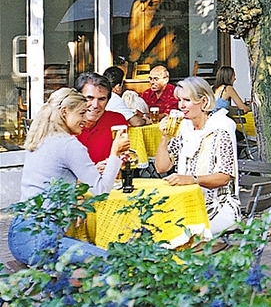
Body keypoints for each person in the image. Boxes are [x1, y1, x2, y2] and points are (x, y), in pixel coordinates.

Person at [8, 88, 129, 265]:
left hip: (19, 234)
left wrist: (94, 169)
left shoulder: (43, 137)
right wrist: (115, 152)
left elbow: (53, 175)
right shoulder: (69, 144)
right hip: (42, 240)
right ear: (65, 112)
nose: (85, 119)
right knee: (113, 263)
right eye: (82, 113)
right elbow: (101, 191)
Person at [154, 77, 240, 235]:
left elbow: (224, 177)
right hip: (186, 202)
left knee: (176, 232)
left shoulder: (221, 128)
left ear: (204, 101)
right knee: (154, 225)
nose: (181, 106)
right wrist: (165, 137)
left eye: (187, 100)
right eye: (179, 100)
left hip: (219, 206)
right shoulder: (184, 127)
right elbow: (162, 167)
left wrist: (192, 179)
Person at [75, 72, 129, 164]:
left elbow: (123, 157)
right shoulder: (64, 124)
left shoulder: (117, 121)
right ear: (77, 98)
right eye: (89, 98)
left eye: (101, 99)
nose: (95, 105)